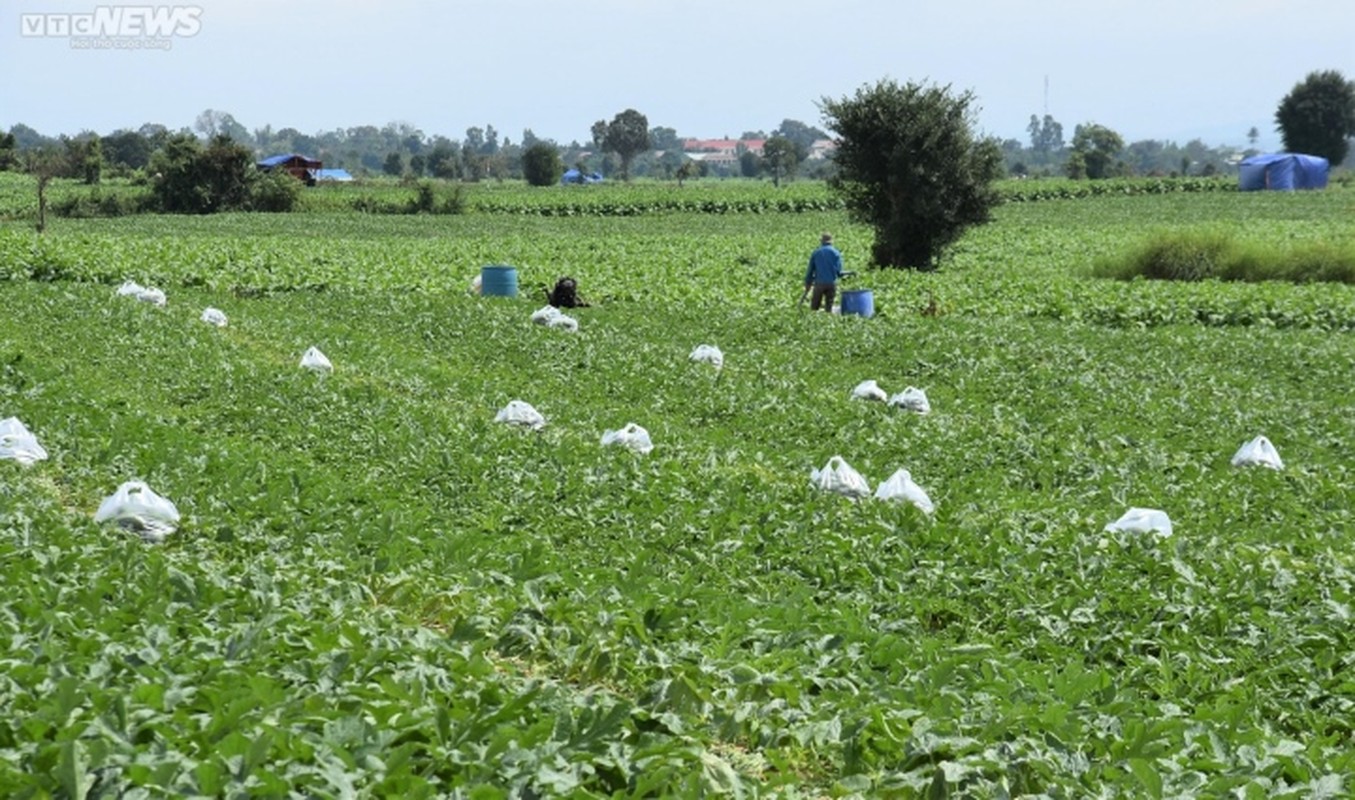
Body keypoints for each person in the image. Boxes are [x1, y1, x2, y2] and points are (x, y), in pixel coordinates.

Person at [803, 233, 843, 312]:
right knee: (829, 306)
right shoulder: (836, 253)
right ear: (831, 242)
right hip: (832, 283)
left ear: (822, 241)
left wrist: (808, 282)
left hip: (819, 284)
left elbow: (810, 269)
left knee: (814, 307)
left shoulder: (816, 252)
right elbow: (839, 270)